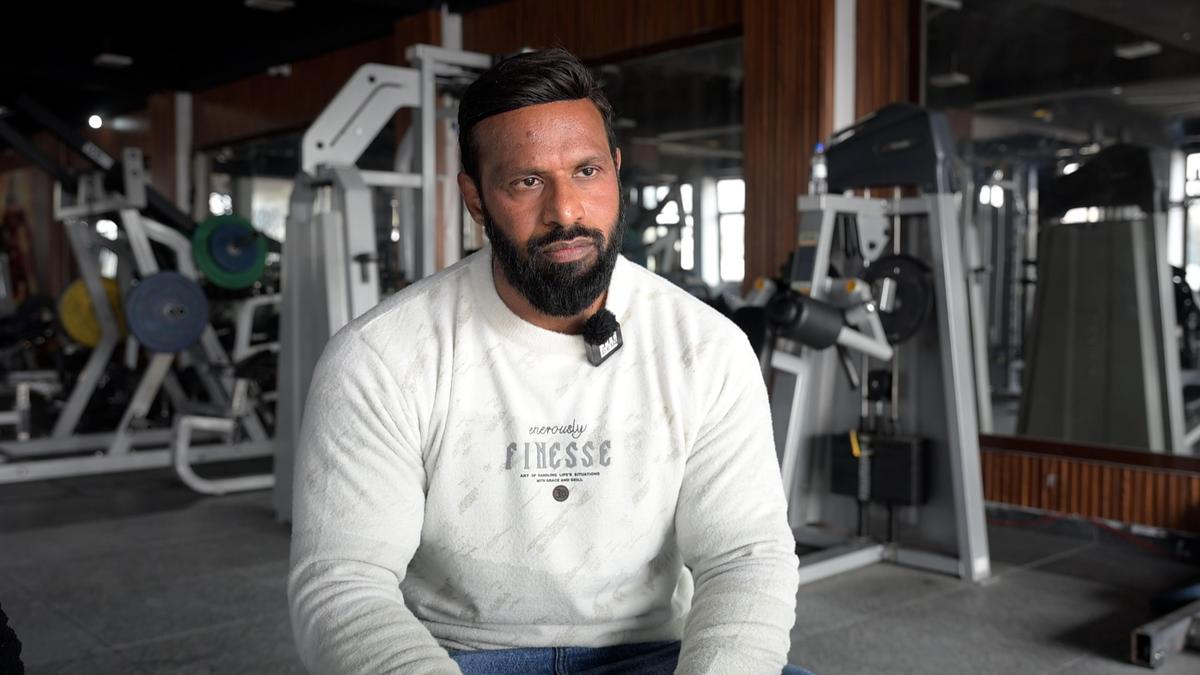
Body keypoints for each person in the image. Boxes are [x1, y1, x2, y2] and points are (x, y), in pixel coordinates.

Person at [288, 47, 808, 675]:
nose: (565, 210)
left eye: (587, 171)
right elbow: (344, 582)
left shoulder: (707, 347)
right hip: (458, 657)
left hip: (652, 656)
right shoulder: (380, 356)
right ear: (476, 199)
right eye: (526, 181)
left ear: (616, 171)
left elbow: (744, 556)